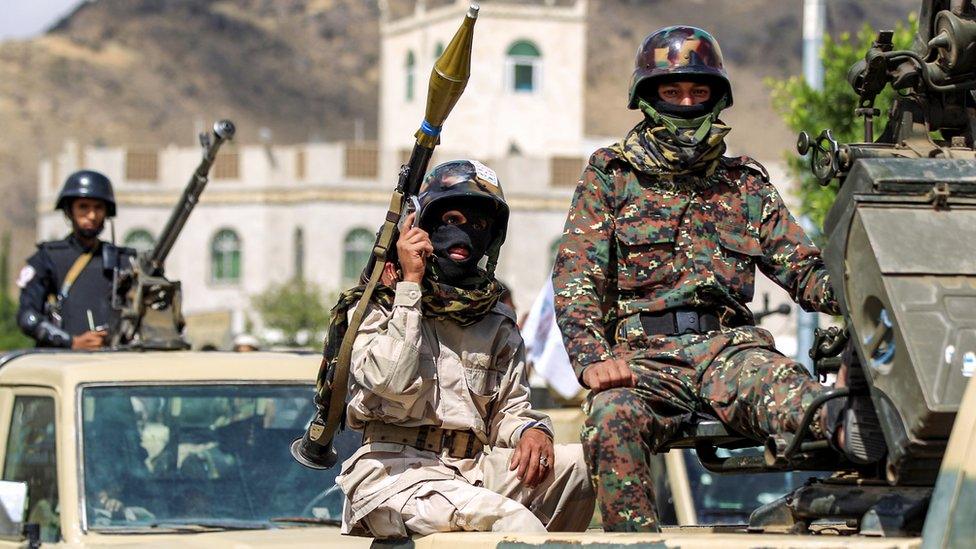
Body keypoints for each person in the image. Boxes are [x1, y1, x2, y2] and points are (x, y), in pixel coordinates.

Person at [552, 26, 880, 532]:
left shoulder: (745, 184)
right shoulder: (611, 176)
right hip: (644, 360)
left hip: (731, 353)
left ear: (717, 98)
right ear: (648, 97)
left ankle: (868, 494)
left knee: (806, 401)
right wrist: (592, 358)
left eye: (699, 92)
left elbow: (807, 272)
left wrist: (869, 287)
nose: (687, 102)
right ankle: (635, 545)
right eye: (673, 91)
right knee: (611, 416)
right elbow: (576, 279)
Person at [335, 160, 594, 538]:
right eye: (451, 220)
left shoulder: (494, 323)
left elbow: (508, 411)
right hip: (394, 476)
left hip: (472, 471)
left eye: (477, 226)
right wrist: (410, 286)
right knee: (513, 523)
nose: (464, 235)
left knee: (582, 466)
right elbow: (388, 381)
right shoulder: (380, 304)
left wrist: (532, 432)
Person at [17, 170, 135, 350]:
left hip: (115, 362)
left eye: (98, 208)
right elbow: (28, 318)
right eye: (83, 207)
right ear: (69, 210)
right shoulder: (47, 258)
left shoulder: (124, 261)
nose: (92, 216)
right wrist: (72, 342)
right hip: (63, 364)